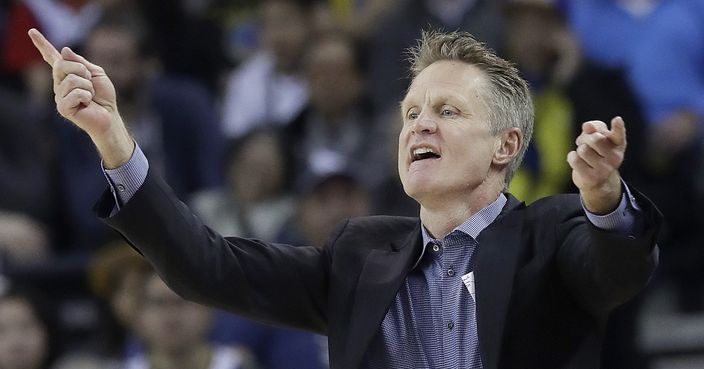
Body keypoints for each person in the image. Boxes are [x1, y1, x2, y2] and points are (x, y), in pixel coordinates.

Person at [30, 28, 662, 368]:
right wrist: (111, 137)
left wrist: (605, 198)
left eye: (447, 111)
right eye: (411, 111)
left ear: (505, 146)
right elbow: (207, 266)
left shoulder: (549, 233)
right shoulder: (360, 254)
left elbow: (616, 264)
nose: (419, 124)